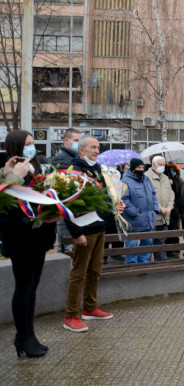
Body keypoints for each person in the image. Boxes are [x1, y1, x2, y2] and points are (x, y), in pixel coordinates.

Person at [0, 131, 58, 356]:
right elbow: (6, 207)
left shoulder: (37, 167)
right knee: (23, 288)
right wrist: (12, 177)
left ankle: (29, 334)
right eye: (27, 145)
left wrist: (54, 213)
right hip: (20, 240)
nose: (32, 148)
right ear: (15, 147)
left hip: (39, 238)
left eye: (33, 144)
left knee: (32, 288)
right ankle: (23, 337)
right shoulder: (6, 169)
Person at [63, 136, 125, 333]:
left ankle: (89, 308)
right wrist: (76, 232)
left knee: (95, 271)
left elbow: (105, 196)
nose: (97, 150)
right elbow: (68, 203)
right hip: (84, 229)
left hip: (100, 227)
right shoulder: (75, 170)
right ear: (81, 150)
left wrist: (116, 205)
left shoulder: (98, 169)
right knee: (79, 273)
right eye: (92, 147)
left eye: (98, 147)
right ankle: (71, 315)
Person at [121, 158, 158, 263]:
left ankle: (143, 266)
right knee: (132, 246)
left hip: (148, 219)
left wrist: (155, 209)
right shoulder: (125, 181)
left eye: (142, 167)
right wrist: (135, 212)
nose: (141, 169)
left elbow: (153, 194)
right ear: (133, 169)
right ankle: (131, 267)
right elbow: (124, 200)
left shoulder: (146, 179)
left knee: (147, 243)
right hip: (133, 220)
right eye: (138, 167)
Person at [51, 128, 82, 254]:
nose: (78, 144)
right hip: (66, 209)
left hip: (72, 209)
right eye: (76, 140)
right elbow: (63, 186)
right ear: (66, 141)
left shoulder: (74, 157)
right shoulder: (63, 158)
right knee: (65, 247)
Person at [145, 156, 175, 261]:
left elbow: (171, 194)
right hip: (153, 217)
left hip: (165, 217)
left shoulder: (165, 177)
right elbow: (149, 197)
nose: (162, 167)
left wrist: (169, 207)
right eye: (160, 164)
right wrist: (160, 208)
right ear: (153, 164)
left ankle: (162, 265)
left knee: (161, 242)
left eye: (164, 164)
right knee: (149, 244)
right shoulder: (146, 177)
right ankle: (146, 268)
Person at [164, 161, 184, 256]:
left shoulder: (179, 180)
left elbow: (180, 194)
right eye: (171, 170)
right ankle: (168, 250)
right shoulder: (165, 180)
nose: (173, 172)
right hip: (167, 209)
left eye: (174, 170)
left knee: (175, 229)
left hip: (176, 209)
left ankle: (176, 249)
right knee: (167, 229)